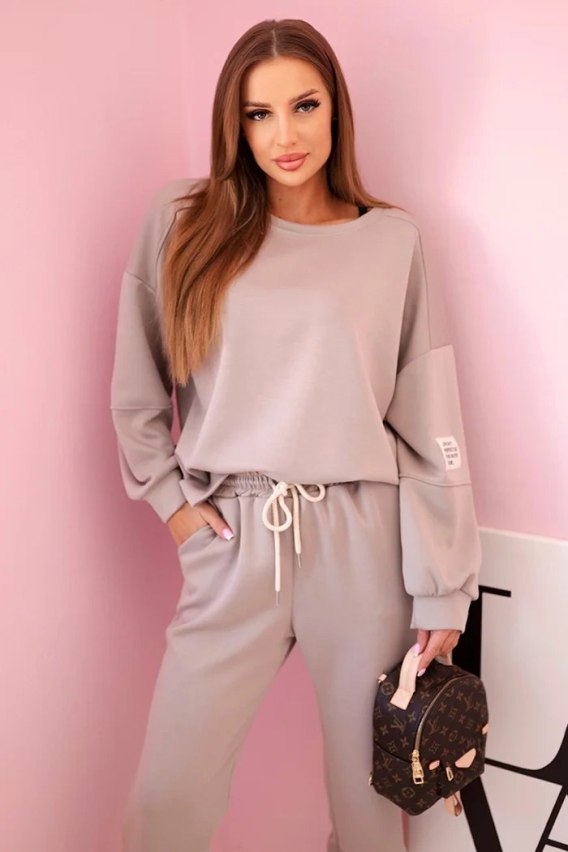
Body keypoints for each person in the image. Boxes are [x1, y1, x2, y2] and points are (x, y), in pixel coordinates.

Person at [110, 17, 482, 852]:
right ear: (235, 124)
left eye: (304, 105)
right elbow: (136, 390)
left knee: (369, 812)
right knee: (166, 802)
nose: (285, 135)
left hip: (361, 543)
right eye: (259, 113)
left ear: (336, 108)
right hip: (234, 538)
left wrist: (442, 588)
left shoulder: (392, 241)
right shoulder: (182, 222)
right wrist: (173, 505)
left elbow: (431, 425)